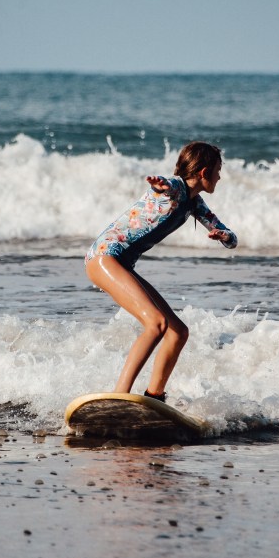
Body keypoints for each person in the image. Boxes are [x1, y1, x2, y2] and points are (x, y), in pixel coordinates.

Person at [85, 141, 237, 400]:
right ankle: (118, 396)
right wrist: (159, 185)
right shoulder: (175, 187)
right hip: (104, 257)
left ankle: (154, 397)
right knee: (156, 323)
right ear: (204, 172)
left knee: (178, 332)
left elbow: (231, 239)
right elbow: (164, 187)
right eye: (218, 170)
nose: (220, 177)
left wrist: (224, 235)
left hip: (122, 264)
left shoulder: (195, 203)